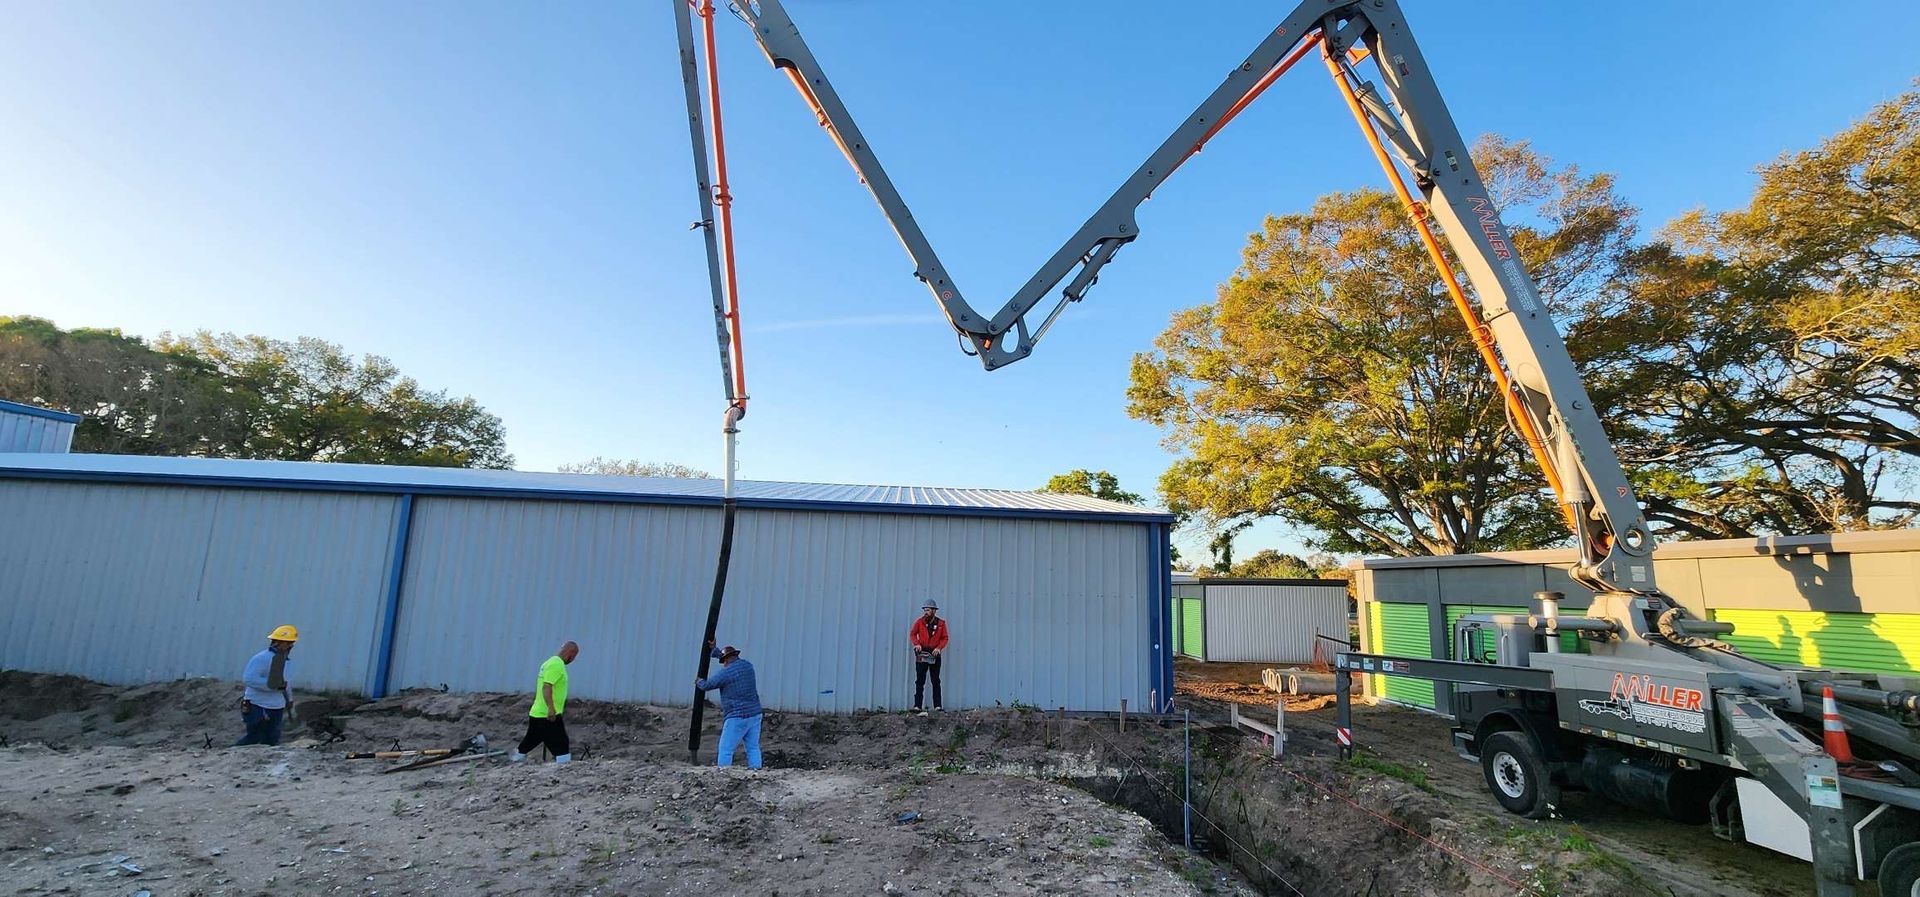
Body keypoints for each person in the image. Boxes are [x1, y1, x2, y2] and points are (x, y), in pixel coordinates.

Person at [695, 640, 763, 769]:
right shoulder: (748, 666)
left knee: (726, 749)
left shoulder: (726, 673)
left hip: (737, 716)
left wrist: (699, 682)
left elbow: (707, 685)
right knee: (753, 747)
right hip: (755, 714)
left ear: (725, 661)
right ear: (736, 656)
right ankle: (756, 771)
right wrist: (714, 650)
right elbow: (728, 661)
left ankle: (723, 774)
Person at [512, 641, 578, 765]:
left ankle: (517, 758)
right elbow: (547, 686)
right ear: (570, 653)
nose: (573, 660)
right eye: (574, 657)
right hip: (548, 714)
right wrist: (551, 709)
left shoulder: (548, 662)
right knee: (562, 743)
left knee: (532, 739)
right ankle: (564, 767)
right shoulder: (557, 665)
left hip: (537, 712)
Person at [236, 625, 299, 746]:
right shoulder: (261, 658)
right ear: (277, 642)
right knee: (255, 736)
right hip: (257, 704)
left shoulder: (286, 661)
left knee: (272, 738)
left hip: (276, 705)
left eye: (291, 643)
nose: (290, 646)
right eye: (287, 643)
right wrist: (272, 686)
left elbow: (286, 682)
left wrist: (289, 699)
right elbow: (249, 679)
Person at [910, 600, 949, 713]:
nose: (925, 612)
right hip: (922, 652)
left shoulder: (941, 624)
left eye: (927, 610)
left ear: (933, 611)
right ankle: (917, 706)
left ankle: (937, 706)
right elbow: (912, 634)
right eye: (925, 610)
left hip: (934, 653)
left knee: (935, 680)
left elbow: (945, 638)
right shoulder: (919, 622)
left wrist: (939, 648)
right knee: (920, 680)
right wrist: (917, 644)